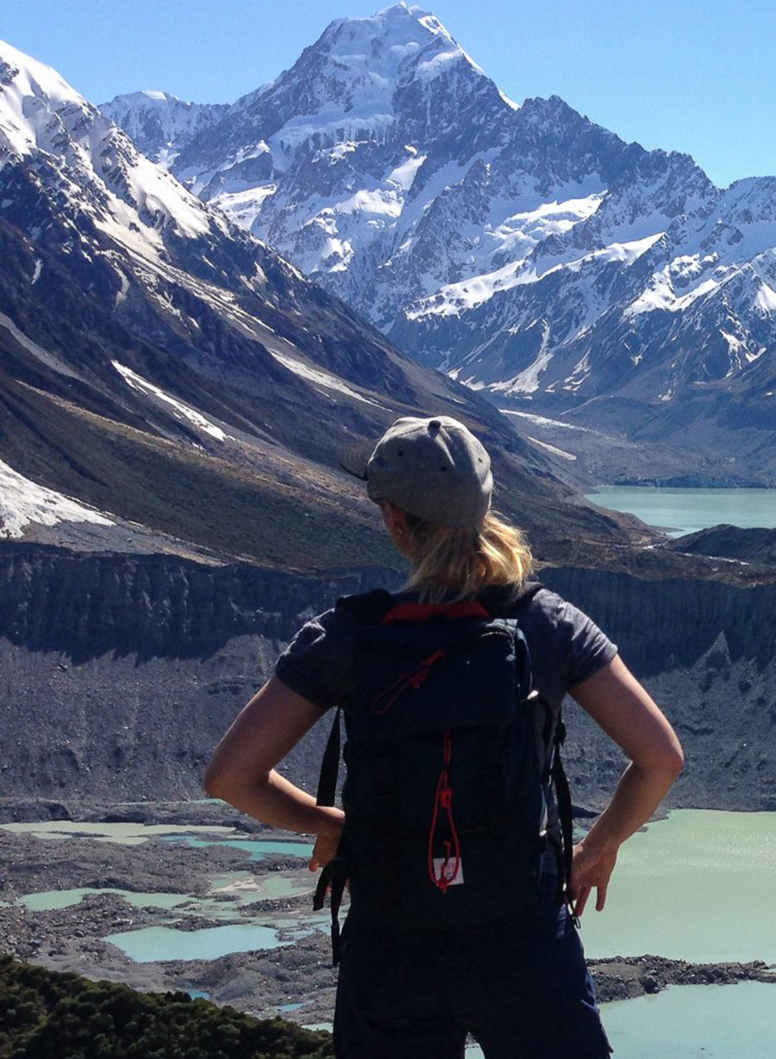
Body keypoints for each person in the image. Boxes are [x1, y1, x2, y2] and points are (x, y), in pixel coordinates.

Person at [204, 415, 684, 1058]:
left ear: (396, 521)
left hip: (391, 945)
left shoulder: (348, 635)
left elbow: (230, 776)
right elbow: (659, 757)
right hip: (522, 941)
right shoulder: (545, 623)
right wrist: (599, 845)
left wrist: (335, 825)